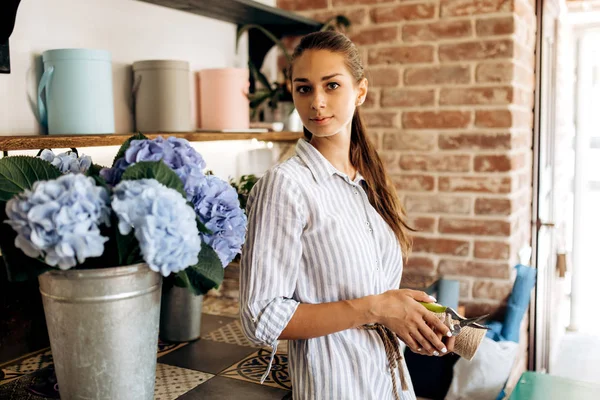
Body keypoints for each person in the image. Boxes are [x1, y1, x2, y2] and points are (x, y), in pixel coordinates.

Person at [240, 30, 455, 400]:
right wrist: (377, 307)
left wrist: (408, 318)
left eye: (332, 85)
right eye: (304, 88)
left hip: (389, 386)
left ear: (360, 91)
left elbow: (367, 292)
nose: (317, 103)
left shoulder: (367, 180)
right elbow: (262, 317)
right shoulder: (286, 186)